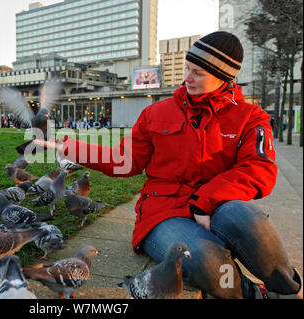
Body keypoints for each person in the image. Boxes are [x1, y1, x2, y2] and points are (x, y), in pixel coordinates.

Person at [35, 31, 302, 299]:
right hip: (163, 213)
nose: (186, 78)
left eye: (198, 72)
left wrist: (204, 202)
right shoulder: (155, 113)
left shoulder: (250, 117)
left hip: (219, 207)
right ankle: (255, 295)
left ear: (224, 77)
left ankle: (288, 293)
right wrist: (67, 146)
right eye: (187, 68)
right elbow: (123, 160)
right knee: (200, 256)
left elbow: (259, 169)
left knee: (251, 221)